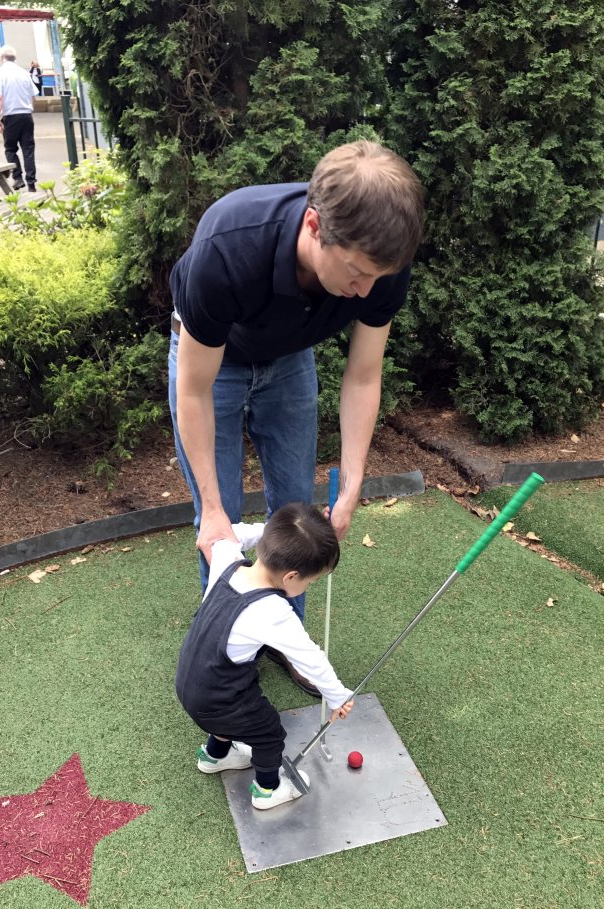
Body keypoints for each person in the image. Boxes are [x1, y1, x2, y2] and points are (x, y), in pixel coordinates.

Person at [168, 139, 425, 695]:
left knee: (299, 512)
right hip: (214, 364)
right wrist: (211, 509)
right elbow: (193, 389)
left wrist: (354, 479)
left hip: (289, 362)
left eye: (377, 278)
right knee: (222, 522)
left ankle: (289, 641)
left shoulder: (382, 267)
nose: (365, 291)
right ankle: (225, 651)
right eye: (356, 273)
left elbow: (362, 375)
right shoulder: (229, 244)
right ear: (314, 225)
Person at [175, 503, 355, 811]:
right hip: (217, 698)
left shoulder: (226, 558)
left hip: (189, 683)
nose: (307, 586)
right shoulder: (272, 611)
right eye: (309, 582)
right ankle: (267, 789)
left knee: (233, 717)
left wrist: (274, 534)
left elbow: (233, 534)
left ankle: (215, 755)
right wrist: (338, 697)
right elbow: (311, 659)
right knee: (268, 730)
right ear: (291, 577)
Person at [0, 45, 38, 193]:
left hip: (10, 116)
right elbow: (33, 95)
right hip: (26, 115)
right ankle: (31, 183)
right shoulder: (24, 73)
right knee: (28, 150)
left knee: (10, 149)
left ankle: (17, 178)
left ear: (1, 58)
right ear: (14, 58)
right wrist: (29, 110)